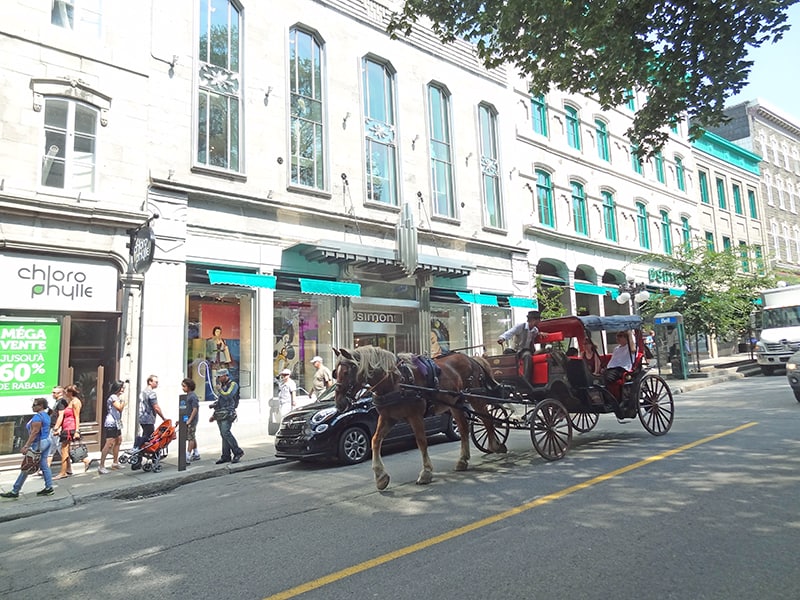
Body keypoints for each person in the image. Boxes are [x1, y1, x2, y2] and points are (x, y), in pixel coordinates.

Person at [1, 397, 54, 498]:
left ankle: (15, 490)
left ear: (41, 406)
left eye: (34, 405)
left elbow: (34, 433)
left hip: (38, 443)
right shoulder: (46, 415)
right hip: (46, 440)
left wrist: (26, 446)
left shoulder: (38, 417)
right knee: (44, 465)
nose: (32, 407)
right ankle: (49, 487)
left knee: (27, 465)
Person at [52, 384, 91, 478]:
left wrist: (77, 430)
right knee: (64, 449)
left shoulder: (76, 402)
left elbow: (77, 417)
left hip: (70, 428)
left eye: (66, 392)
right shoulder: (70, 401)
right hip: (66, 427)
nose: (65, 394)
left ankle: (63, 472)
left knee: (64, 450)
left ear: (70, 392)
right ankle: (82, 461)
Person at [209, 368, 244, 464]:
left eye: (219, 377)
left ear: (225, 376)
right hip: (220, 412)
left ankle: (237, 452)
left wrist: (219, 390)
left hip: (228, 412)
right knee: (223, 435)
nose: (218, 379)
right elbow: (221, 400)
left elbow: (228, 395)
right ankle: (226, 455)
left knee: (226, 432)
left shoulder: (233, 384)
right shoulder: (222, 385)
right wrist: (214, 413)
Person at [496, 310, 543, 381]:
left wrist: (540, 334)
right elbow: (510, 332)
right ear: (533, 320)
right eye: (538, 320)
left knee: (527, 356)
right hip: (516, 350)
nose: (540, 322)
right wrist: (502, 338)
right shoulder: (521, 326)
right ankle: (505, 377)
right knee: (506, 353)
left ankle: (525, 379)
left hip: (525, 351)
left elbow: (537, 334)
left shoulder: (535, 330)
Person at [98, 380, 126, 474]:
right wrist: (123, 402)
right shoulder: (113, 397)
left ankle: (115, 462)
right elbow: (119, 407)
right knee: (109, 443)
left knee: (119, 440)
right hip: (111, 422)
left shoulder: (117, 397)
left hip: (117, 422)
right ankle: (101, 465)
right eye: (121, 387)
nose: (123, 389)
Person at [138, 374, 165, 442]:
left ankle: (141, 450)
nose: (157, 384)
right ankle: (139, 448)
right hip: (149, 418)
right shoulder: (151, 393)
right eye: (156, 382)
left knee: (145, 436)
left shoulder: (142, 392)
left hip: (142, 417)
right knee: (149, 438)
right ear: (150, 382)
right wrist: (163, 418)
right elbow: (156, 407)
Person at [182, 378, 200, 462]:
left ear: (189, 387)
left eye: (184, 386)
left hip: (192, 420)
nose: (182, 388)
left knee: (190, 438)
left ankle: (187, 456)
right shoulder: (187, 396)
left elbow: (195, 409)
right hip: (187, 419)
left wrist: (190, 420)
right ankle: (196, 453)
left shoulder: (193, 396)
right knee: (192, 436)